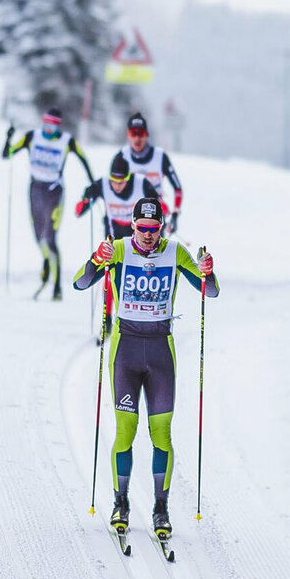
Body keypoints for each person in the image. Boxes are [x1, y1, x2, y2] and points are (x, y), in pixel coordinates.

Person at [73, 197, 218, 537]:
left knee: (161, 434)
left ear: (162, 227)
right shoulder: (119, 249)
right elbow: (80, 283)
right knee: (125, 428)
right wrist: (97, 259)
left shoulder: (175, 252)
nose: (149, 236)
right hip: (125, 349)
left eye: (155, 229)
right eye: (143, 229)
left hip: (159, 351)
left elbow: (209, 292)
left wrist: (208, 269)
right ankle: (120, 502)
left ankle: (160, 509)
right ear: (133, 226)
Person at [3, 107, 94, 300]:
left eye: (52, 125)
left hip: (54, 192)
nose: (48, 128)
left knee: (51, 238)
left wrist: (93, 186)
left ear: (58, 126)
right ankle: (46, 262)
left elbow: (83, 159)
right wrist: (8, 138)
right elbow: (7, 154)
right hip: (35, 189)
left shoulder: (66, 141)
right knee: (38, 236)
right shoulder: (31, 137)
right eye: (46, 123)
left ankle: (57, 286)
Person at [113, 112, 183, 234]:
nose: (137, 138)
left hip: (155, 215)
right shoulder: (122, 156)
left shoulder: (160, 156)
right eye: (133, 133)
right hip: (131, 219)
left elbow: (177, 188)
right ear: (127, 135)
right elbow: (113, 186)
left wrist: (175, 214)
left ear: (147, 135)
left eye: (141, 133)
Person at [74, 153, 159, 239]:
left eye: (121, 181)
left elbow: (158, 204)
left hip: (135, 229)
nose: (117, 186)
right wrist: (86, 199)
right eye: (114, 181)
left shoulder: (141, 183)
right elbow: (79, 211)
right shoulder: (102, 184)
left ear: (128, 178)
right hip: (113, 230)